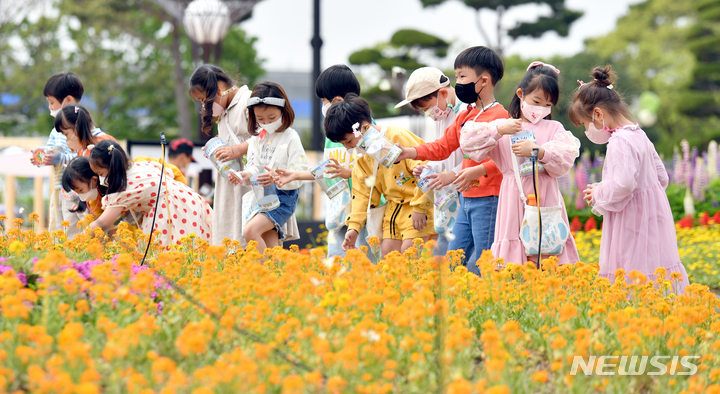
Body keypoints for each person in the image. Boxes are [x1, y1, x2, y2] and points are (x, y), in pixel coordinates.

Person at [573, 66, 689, 293]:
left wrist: (598, 192)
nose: (588, 130)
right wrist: (648, 199)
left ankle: (636, 318)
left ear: (598, 114)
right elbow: (661, 177)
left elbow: (624, 184)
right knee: (654, 267)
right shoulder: (639, 134)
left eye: (586, 125)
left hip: (630, 220)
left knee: (631, 268)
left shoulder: (619, 141)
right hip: (652, 219)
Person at [394, 47, 506, 274]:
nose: (458, 83)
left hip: (488, 198)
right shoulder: (466, 115)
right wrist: (409, 152)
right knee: (453, 260)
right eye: (457, 77)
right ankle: (457, 304)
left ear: (483, 81)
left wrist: (470, 173)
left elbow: (506, 161)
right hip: (466, 199)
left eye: (462, 77)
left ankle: (487, 302)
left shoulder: (500, 116)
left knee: (483, 263)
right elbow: (443, 147)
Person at [459, 61, 580, 266]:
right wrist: (498, 130)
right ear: (520, 94)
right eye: (536, 101)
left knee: (547, 247)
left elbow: (565, 159)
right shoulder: (504, 126)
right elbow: (467, 143)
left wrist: (539, 151)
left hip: (545, 196)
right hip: (513, 196)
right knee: (515, 257)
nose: (541, 109)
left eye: (547, 105)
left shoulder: (554, 127)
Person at [274, 64, 372, 258]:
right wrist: (296, 175)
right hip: (339, 214)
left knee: (364, 269)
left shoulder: (364, 128)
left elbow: (377, 172)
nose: (323, 106)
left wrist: (349, 173)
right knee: (336, 267)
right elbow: (330, 170)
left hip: (364, 215)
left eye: (324, 100)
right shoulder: (334, 132)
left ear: (336, 101)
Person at [325, 94, 435, 255]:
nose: (348, 148)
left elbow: (426, 171)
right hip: (392, 211)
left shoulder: (397, 137)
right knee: (388, 254)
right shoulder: (362, 158)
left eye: (348, 142)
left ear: (364, 128)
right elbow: (361, 194)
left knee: (410, 254)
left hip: (418, 206)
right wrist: (354, 228)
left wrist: (420, 208)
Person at [394, 67, 467, 255]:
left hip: (468, 185)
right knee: (446, 241)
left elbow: (474, 157)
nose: (429, 114)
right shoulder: (441, 115)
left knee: (458, 246)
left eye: (427, 108)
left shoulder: (467, 111)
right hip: (451, 189)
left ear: (443, 93)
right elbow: (441, 152)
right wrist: (429, 166)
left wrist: (452, 174)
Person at [87, 140, 212, 246]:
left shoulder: (126, 187)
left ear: (112, 167)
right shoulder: (138, 166)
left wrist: (81, 237)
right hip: (189, 202)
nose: (101, 179)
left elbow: (103, 223)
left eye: (101, 174)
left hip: (172, 210)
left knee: (167, 255)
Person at [235, 82, 306, 251]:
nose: (266, 123)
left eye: (272, 118)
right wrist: (245, 175)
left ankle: (261, 273)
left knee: (251, 231)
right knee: (271, 246)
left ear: (284, 110)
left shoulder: (291, 137)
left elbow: (300, 173)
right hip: (261, 197)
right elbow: (253, 166)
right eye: (260, 119)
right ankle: (276, 274)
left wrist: (276, 178)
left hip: (283, 198)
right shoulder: (257, 138)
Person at [189, 64, 252, 246]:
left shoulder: (248, 101)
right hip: (230, 186)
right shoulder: (224, 111)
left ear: (217, 89)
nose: (203, 106)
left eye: (203, 100)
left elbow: (266, 139)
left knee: (246, 239)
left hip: (248, 184)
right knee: (228, 239)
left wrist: (238, 149)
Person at [31, 72, 83, 237]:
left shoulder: (83, 126)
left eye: (51, 102)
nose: (50, 108)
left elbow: (85, 158)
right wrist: (41, 157)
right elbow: (50, 151)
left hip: (77, 191)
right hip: (58, 188)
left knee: (74, 232)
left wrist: (59, 158)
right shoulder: (56, 130)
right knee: (56, 231)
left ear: (67, 100)